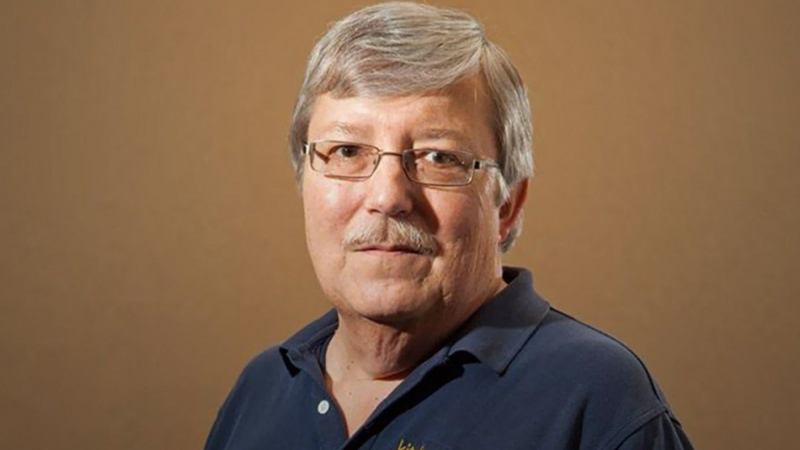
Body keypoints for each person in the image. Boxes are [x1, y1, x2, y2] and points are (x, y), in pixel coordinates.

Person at [205, 2, 694, 449]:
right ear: (304, 182)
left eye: (438, 157)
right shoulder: (261, 389)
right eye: (347, 151)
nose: (388, 198)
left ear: (507, 204)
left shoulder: (599, 398)